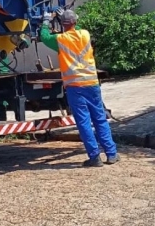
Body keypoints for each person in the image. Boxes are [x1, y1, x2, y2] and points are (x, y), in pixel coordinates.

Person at [39, 9, 119, 167]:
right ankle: (111, 154)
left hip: (75, 86)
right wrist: (68, 16)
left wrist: (46, 21)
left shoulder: (61, 39)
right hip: (92, 83)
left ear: (62, 24)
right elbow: (77, 28)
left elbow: (45, 37)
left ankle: (94, 157)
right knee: (100, 119)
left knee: (83, 122)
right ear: (75, 22)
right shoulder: (85, 34)